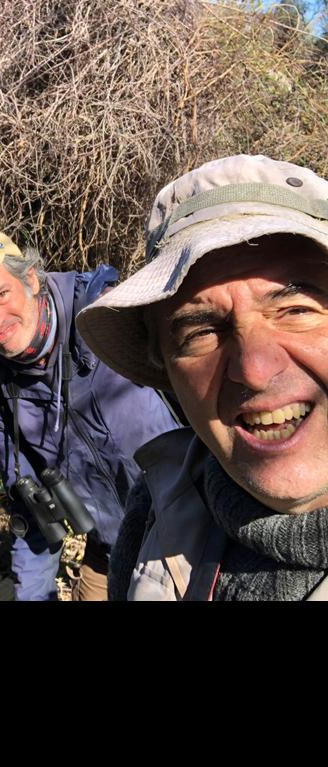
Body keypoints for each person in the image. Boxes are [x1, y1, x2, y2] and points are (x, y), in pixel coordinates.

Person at [76, 154, 328, 601]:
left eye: (296, 310)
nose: (254, 370)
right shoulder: (155, 510)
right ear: (166, 369)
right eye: (201, 333)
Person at [0, 230, 179, 600]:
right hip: (113, 550)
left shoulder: (110, 320)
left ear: (31, 279)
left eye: (1, 295)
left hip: (189, 540)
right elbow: (31, 508)